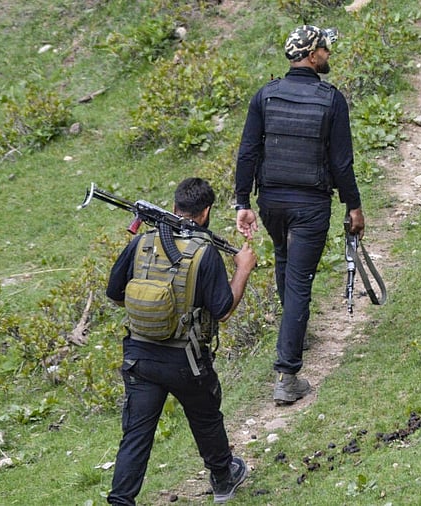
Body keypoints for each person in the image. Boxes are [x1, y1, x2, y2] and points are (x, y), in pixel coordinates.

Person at [234, 25, 364, 406]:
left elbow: (247, 153)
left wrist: (243, 201)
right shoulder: (331, 100)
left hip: (271, 202)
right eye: (325, 49)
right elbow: (342, 162)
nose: (328, 54)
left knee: (284, 262)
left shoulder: (266, 96)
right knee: (300, 280)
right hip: (310, 205)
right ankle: (288, 375)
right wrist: (353, 206)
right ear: (311, 55)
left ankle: (295, 330)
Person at [106, 178, 257, 505]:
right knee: (205, 416)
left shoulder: (142, 243)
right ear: (205, 213)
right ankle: (222, 477)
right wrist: (242, 270)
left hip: (139, 357)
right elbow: (222, 310)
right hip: (185, 359)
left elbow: (114, 293)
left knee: (136, 436)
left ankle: (121, 501)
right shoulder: (205, 253)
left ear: (175, 207)